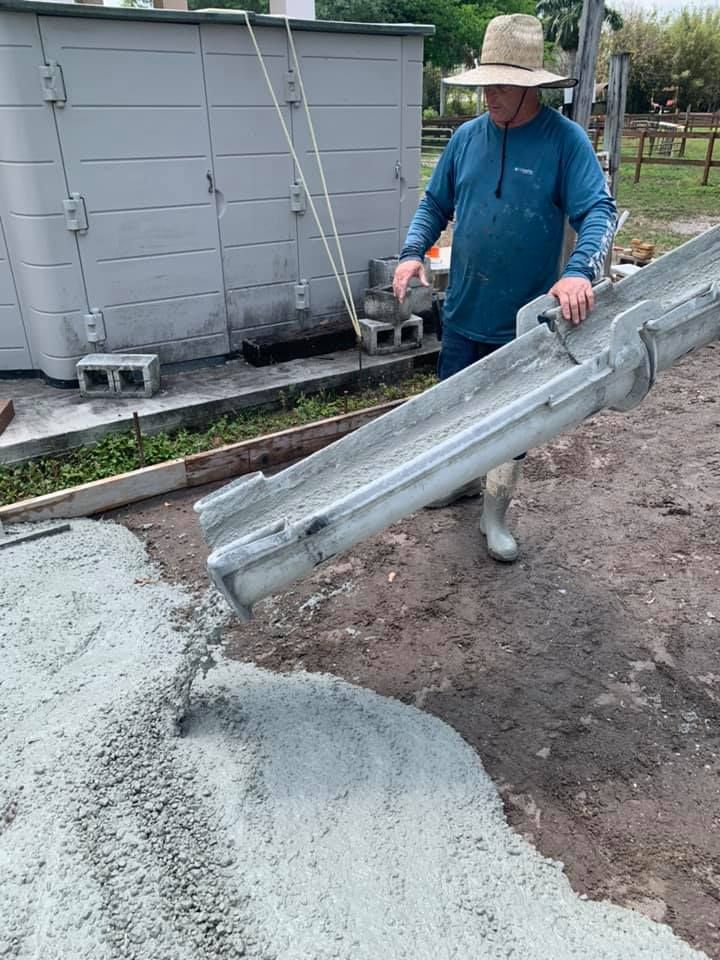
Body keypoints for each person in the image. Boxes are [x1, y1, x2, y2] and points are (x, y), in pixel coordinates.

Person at [393, 12, 616, 564]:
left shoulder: (564, 143)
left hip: (524, 325)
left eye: (500, 85)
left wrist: (577, 270)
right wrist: (410, 253)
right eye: (485, 83)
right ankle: (461, 483)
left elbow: (600, 212)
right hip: (464, 308)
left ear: (528, 86)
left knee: (510, 426)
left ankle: (495, 513)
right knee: (456, 411)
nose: (488, 94)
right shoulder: (467, 138)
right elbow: (434, 203)